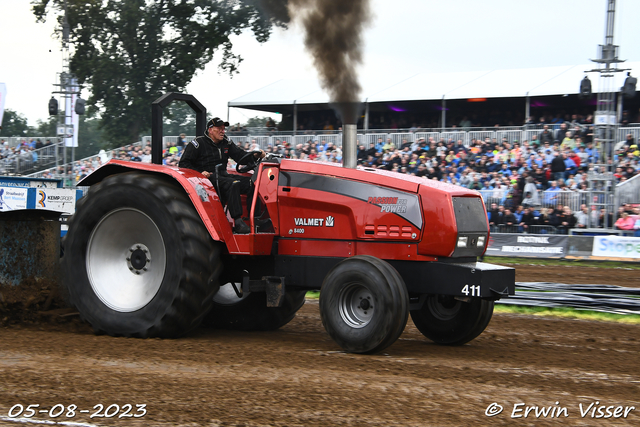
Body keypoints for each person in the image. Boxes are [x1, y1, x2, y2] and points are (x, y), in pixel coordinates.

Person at [178, 117, 265, 234]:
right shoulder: (198, 143)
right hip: (207, 178)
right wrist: (200, 172)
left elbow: (240, 156)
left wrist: (254, 156)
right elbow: (184, 164)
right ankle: (238, 221)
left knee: (252, 183)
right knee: (233, 184)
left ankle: (254, 219)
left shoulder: (226, 142)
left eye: (224, 129)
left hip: (223, 174)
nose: (222, 131)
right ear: (210, 130)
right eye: (219, 128)